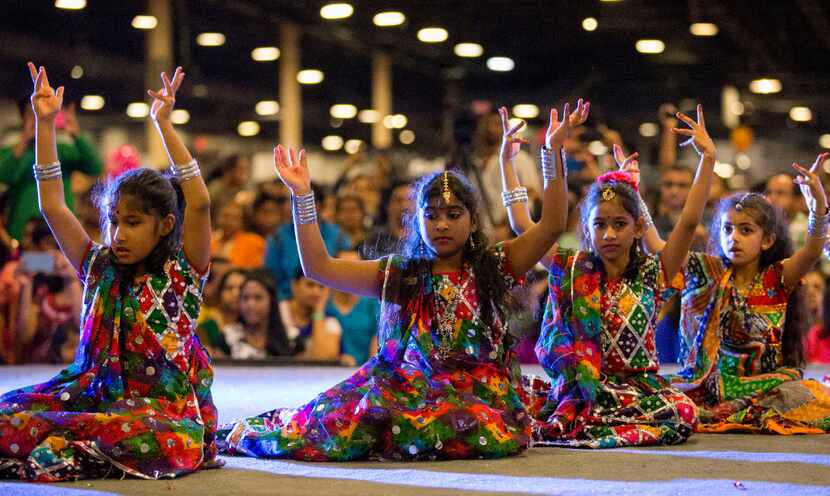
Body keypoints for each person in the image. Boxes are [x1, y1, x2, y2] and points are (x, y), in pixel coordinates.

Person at [218, 99, 570, 461]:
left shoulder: (496, 264)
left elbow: (553, 224)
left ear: (472, 219)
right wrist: (302, 196)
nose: (443, 224)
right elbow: (318, 267)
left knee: (470, 425)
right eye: (431, 215)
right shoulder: (403, 274)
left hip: (483, 395)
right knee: (341, 419)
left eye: (454, 214)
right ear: (417, 221)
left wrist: (552, 154)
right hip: (413, 389)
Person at [0, 64, 219, 481]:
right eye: (114, 220)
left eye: (133, 222)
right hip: (93, 395)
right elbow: (52, 206)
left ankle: (64, 441)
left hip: (164, 417)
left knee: (161, 440)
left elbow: (201, 203)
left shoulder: (184, 272)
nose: (118, 233)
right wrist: (47, 126)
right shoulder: (99, 267)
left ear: (165, 224)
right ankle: (62, 440)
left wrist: (163, 125)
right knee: (11, 414)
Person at [504, 104, 715, 448]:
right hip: (586, 389)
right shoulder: (572, 268)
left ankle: (596, 424)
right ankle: (593, 419)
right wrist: (539, 156)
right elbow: (524, 226)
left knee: (682, 411)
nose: (609, 235)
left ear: (637, 228)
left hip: (639, 390)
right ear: (587, 230)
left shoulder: (654, 270)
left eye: (620, 224)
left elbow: (688, 223)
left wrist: (707, 160)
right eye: (599, 225)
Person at [663, 151, 830, 433]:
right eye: (727, 229)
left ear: (767, 240)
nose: (734, 238)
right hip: (713, 385)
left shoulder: (778, 277)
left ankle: (739, 409)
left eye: (745, 230)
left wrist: (818, 203)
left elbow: (813, 249)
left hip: (766, 384)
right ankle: (729, 409)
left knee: (801, 392)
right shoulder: (707, 271)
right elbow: (665, 245)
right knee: (663, 397)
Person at [0, 94, 103, 242]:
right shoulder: (12, 151)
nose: (38, 118)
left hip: (60, 235)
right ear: (23, 118)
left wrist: (76, 135)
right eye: (32, 113)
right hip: (24, 236)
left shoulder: (62, 150)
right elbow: (2, 175)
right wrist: (24, 140)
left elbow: (95, 168)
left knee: (59, 265)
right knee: (34, 265)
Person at [222, 270, 294, 359]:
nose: (250, 305)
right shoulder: (228, 337)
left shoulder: (291, 337)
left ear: (272, 301)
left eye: (258, 298)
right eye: (245, 298)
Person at [326, 250, 381, 366]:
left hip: (363, 373)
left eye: (355, 268)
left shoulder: (372, 304)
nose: (350, 274)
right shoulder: (324, 304)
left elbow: (377, 346)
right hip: (329, 371)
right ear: (333, 270)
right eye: (344, 267)